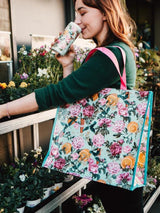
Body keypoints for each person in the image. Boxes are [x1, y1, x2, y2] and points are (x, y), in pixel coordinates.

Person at [0, 0, 144, 212]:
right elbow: (72, 99)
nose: (77, 21)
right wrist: (67, 65)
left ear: (106, 12)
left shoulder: (108, 56)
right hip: (114, 156)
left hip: (112, 160)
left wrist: (4, 109)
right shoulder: (117, 50)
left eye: (83, 13)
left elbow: (59, 93)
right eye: (76, 13)